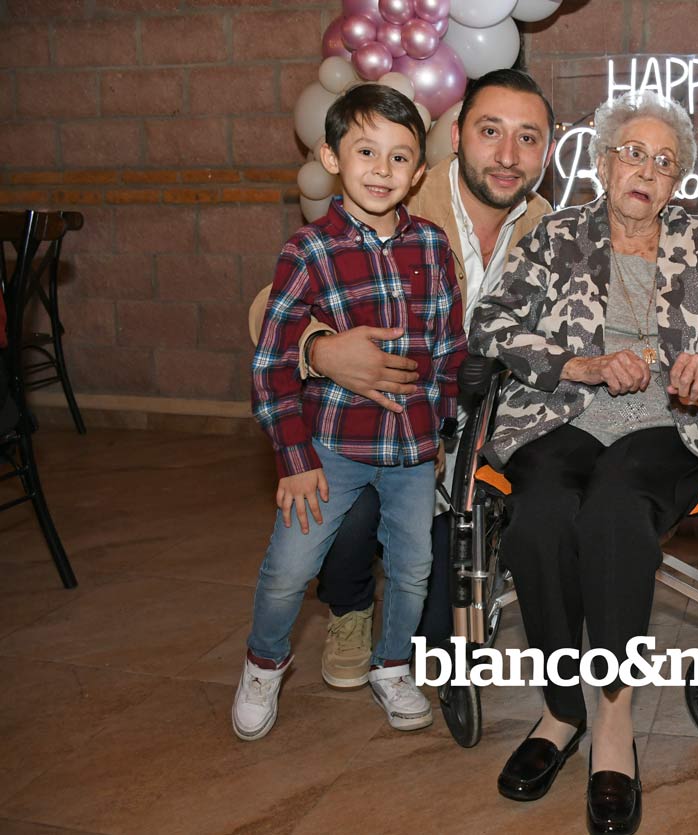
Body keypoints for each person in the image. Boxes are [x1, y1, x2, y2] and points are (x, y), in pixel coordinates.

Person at [469, 91, 698, 835]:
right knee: (538, 520)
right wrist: (578, 364)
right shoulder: (558, 235)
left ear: (676, 182)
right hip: (563, 414)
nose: (647, 170)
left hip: (669, 423)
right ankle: (560, 707)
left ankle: (610, 716)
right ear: (603, 164)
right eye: (633, 154)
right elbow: (490, 322)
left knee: (614, 511)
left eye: (664, 162)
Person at [246, 69, 556, 690]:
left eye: (527, 138)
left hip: (449, 425)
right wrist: (323, 352)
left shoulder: (545, 223)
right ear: (457, 137)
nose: (507, 154)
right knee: (347, 507)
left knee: (435, 640)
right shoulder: (403, 196)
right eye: (490, 131)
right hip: (366, 418)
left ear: (546, 152)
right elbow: (266, 314)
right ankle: (349, 608)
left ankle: (408, 642)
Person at [235, 84, 466, 740]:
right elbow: (272, 364)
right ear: (331, 157)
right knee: (289, 567)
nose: (382, 169)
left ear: (417, 173)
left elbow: (448, 348)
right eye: (366, 151)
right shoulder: (307, 250)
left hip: (412, 452)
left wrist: (439, 428)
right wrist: (295, 459)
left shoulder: (431, 246)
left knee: (413, 567)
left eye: (399, 157)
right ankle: (264, 662)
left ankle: (392, 666)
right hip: (330, 448)